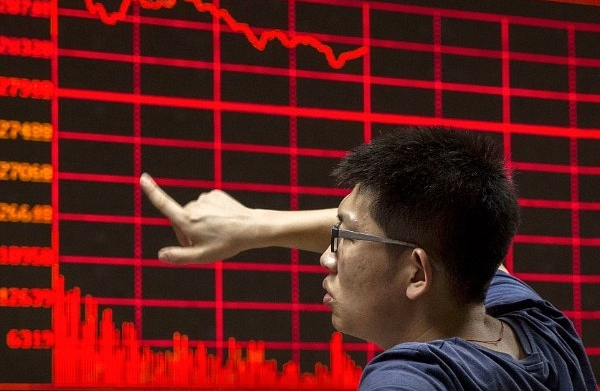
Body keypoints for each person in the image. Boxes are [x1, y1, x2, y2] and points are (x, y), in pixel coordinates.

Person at [139, 126, 596, 390]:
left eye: (346, 236)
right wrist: (251, 227)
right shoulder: (541, 328)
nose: (326, 257)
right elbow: (459, 237)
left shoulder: (411, 380)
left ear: (417, 272)